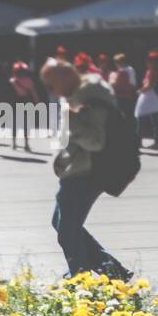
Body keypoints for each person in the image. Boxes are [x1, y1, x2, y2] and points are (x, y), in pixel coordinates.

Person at [41, 58, 128, 277]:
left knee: (67, 232)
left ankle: (81, 279)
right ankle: (113, 272)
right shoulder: (78, 95)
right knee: (61, 224)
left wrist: (73, 121)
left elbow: (96, 142)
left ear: (65, 77)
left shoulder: (90, 96)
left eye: (51, 85)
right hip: (76, 171)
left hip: (87, 173)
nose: (51, 90)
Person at [135, 50, 158, 151]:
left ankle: (138, 142)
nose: (147, 62)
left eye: (149, 60)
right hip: (157, 98)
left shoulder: (152, 71)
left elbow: (149, 85)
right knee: (156, 121)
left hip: (149, 97)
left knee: (141, 118)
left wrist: (139, 91)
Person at [10, 61, 40, 153]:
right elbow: (33, 93)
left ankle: (14, 143)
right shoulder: (29, 81)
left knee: (14, 124)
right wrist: (37, 102)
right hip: (27, 102)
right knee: (26, 124)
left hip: (15, 103)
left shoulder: (12, 81)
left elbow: (9, 94)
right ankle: (26, 144)